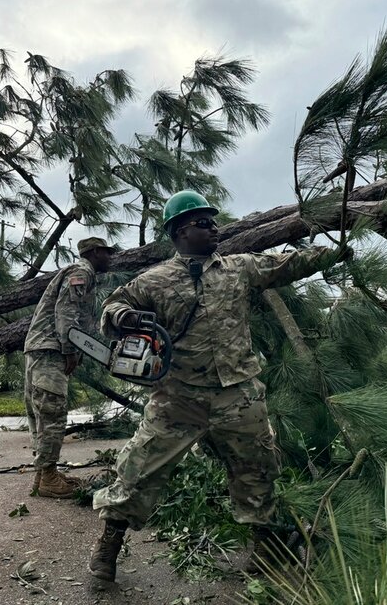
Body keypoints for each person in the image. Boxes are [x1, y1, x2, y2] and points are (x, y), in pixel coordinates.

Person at [88, 190, 346, 581]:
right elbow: (110, 310)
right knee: (138, 471)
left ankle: (267, 549)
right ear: (179, 232)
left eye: (213, 221)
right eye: (203, 223)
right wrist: (123, 317)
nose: (214, 229)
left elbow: (288, 263)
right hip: (177, 397)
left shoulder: (238, 268)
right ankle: (108, 546)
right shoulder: (153, 280)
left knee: (257, 469)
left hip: (238, 395)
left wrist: (337, 251)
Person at [23, 237, 114, 498]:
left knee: (41, 413)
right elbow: (66, 311)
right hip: (51, 349)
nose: (111, 257)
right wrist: (70, 347)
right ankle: (49, 476)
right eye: (107, 253)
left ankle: (43, 476)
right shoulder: (80, 273)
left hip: (41, 348)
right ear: (95, 252)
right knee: (52, 412)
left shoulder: (79, 273)